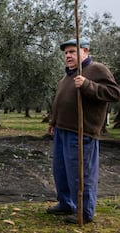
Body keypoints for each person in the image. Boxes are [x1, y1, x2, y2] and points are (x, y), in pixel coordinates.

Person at [47, 38, 120, 224]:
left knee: (81, 174)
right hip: (62, 130)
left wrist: (88, 85)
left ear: (85, 51)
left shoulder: (96, 69)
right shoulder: (67, 76)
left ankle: (85, 212)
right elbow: (60, 101)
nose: (68, 56)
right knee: (61, 171)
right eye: (66, 53)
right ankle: (66, 203)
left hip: (81, 132)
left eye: (72, 51)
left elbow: (114, 93)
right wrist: (53, 121)